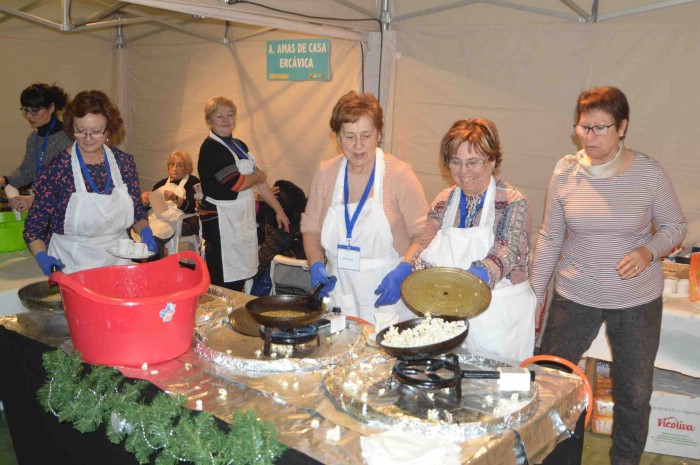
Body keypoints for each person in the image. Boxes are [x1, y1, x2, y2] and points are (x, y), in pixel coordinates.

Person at [530, 87, 687, 465]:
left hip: (635, 302)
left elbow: (675, 226)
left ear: (623, 128)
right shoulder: (565, 171)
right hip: (574, 294)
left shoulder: (648, 172)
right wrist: (536, 295)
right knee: (552, 381)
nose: (590, 137)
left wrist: (649, 250)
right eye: (584, 127)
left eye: (601, 128)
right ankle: (554, 457)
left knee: (633, 392)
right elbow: (550, 236)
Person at [413, 118, 535, 361]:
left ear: (492, 161)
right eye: (455, 162)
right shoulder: (443, 200)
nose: (463, 172)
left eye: (473, 162)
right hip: (451, 316)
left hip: (499, 318)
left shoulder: (512, 201)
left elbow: (504, 253)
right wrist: (414, 274)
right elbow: (425, 248)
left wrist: (466, 281)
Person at [301, 91, 428, 323]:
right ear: (337, 138)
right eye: (349, 137)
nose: (358, 146)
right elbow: (310, 227)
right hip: (339, 292)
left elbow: (424, 234)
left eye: (366, 135)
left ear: (379, 134)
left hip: (387, 295)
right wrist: (316, 263)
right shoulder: (326, 173)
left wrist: (404, 270)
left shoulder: (399, 175)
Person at [23, 90, 156, 275]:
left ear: (108, 129)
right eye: (80, 131)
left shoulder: (124, 163)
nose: (87, 139)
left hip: (118, 261)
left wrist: (145, 231)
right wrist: (41, 256)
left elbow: (136, 212)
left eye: (95, 132)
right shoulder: (57, 168)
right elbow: (33, 228)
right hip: (72, 262)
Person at [197, 96, 289, 292]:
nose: (225, 120)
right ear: (209, 121)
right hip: (221, 222)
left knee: (242, 274)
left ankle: (237, 313)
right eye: (219, 116)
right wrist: (256, 176)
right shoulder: (212, 149)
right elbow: (237, 183)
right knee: (225, 280)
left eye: (230, 115)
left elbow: (261, 182)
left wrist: (279, 210)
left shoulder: (239, 145)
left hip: (240, 219)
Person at [0, 83, 72, 212]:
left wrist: (36, 200)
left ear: (51, 107)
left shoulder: (68, 138)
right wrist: (5, 180)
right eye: (25, 110)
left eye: (34, 110)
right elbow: (27, 170)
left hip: (63, 212)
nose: (29, 116)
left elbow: (68, 185)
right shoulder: (34, 138)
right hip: (41, 209)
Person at [250, 179, 308, 296]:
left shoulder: (282, 228)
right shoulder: (302, 224)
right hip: (298, 286)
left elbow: (261, 261)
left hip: (279, 287)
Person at [140, 150, 200, 253]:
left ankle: (155, 261)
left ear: (187, 168)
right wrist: (145, 200)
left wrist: (174, 198)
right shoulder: (161, 183)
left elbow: (194, 208)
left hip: (180, 221)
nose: (174, 168)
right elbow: (151, 208)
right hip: (158, 219)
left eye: (179, 165)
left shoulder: (193, 182)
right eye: (172, 164)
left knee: (154, 239)